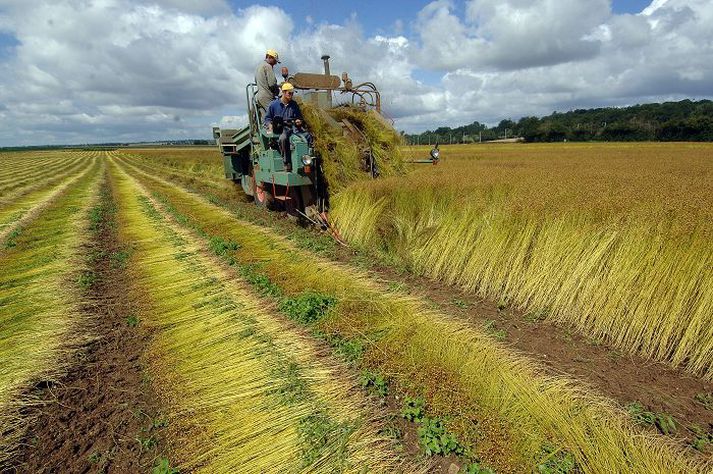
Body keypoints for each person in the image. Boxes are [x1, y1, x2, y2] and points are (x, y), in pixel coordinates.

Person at [263, 82, 311, 172]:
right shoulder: (273, 105)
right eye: (289, 93)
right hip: (281, 128)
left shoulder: (294, 104)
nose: (291, 95)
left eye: (292, 93)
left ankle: (307, 160)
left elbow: (299, 117)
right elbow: (267, 119)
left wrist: (298, 120)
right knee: (283, 138)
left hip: (294, 128)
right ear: (284, 92)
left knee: (307, 136)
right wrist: (270, 125)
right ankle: (286, 162)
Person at [255, 49, 280, 113]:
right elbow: (272, 83)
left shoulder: (259, 66)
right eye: (275, 61)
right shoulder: (268, 66)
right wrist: (278, 90)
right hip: (267, 96)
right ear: (270, 57)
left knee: (265, 120)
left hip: (259, 97)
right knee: (276, 116)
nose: (275, 63)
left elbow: (256, 81)